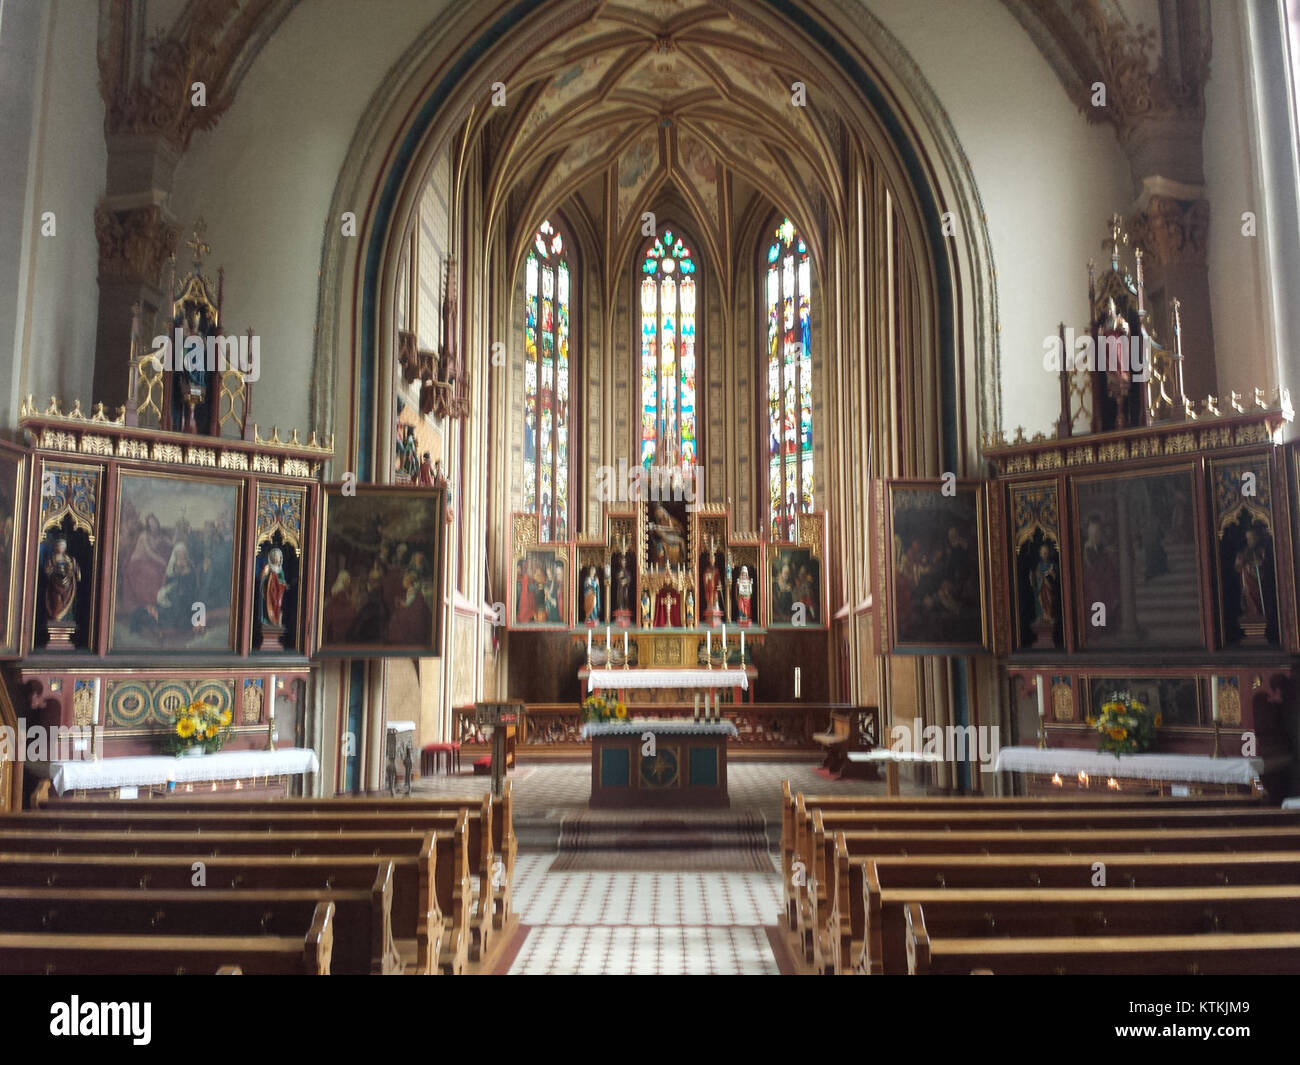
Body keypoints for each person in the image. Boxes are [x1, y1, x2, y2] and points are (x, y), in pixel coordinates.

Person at [43, 537, 80, 624]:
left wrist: (73, 569)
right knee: (57, 603)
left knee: (66, 602)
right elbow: (47, 571)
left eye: (63, 546)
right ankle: (56, 618)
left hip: (68, 585)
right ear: (55, 546)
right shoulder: (52, 559)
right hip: (55, 584)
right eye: (59, 545)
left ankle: (65, 618)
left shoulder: (69, 558)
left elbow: (75, 569)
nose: (61, 547)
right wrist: (52, 570)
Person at [258, 546, 289, 628]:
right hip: (268, 594)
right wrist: (268, 578)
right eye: (274, 556)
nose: (275, 558)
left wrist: (281, 584)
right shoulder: (267, 568)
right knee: (268, 607)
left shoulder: (280, 570)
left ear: (280, 558)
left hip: (278, 595)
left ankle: (276, 620)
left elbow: (282, 581)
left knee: (277, 607)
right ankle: (267, 620)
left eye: (277, 557)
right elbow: (262, 581)